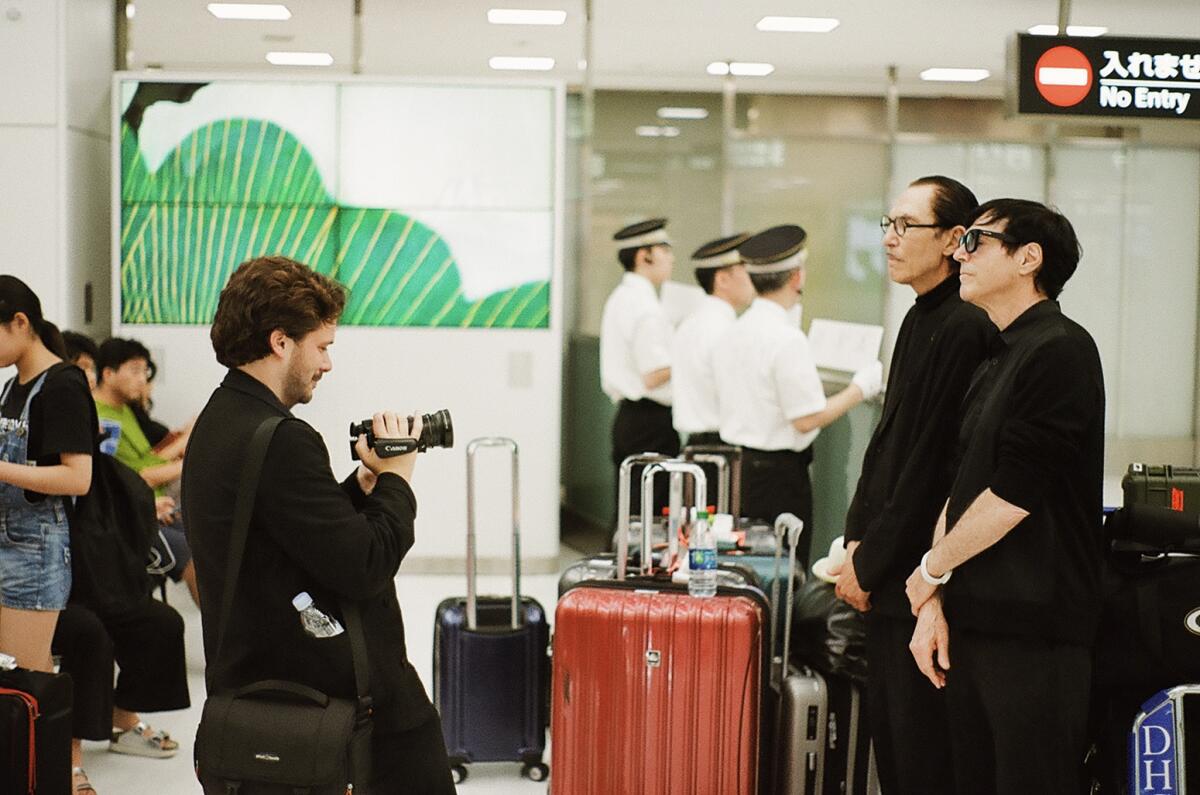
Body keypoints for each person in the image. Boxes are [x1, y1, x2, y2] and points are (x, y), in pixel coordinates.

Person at [182, 255, 455, 793]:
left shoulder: (222, 418)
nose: (327, 364)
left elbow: (290, 531)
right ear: (281, 341)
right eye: (322, 346)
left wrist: (362, 487)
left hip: (262, 681)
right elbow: (364, 565)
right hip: (335, 697)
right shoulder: (283, 438)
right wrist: (398, 479)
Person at [905, 199, 1104, 794]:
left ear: (1028, 259)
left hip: (1034, 630)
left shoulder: (1061, 349)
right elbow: (962, 483)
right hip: (978, 622)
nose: (959, 254)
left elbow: (1014, 494)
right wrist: (933, 597)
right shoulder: (1000, 348)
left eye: (977, 241)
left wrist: (932, 567)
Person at [831, 176, 991, 794]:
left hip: (918, 575)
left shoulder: (962, 325)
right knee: (893, 750)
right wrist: (853, 542)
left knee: (922, 757)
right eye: (887, 224)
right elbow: (887, 449)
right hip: (886, 567)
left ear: (955, 239)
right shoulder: (919, 315)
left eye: (906, 226)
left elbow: (931, 468)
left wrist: (871, 564)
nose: (891, 240)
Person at [713, 225, 882, 568]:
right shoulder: (787, 339)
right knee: (783, 570)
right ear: (796, 277)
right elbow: (805, 419)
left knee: (746, 567)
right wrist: (860, 388)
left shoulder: (736, 329)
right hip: (777, 476)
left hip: (738, 467)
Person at [0, 277, 94, 671]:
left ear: (20, 323)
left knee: (25, 683)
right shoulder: (11, 387)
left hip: (35, 550)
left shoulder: (63, 385)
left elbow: (78, 478)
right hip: (9, 539)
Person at [93, 337, 198, 604]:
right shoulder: (99, 416)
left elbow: (146, 461)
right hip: (131, 513)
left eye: (144, 371)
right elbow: (132, 478)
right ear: (108, 373)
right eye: (135, 370)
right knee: (195, 557)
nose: (142, 380)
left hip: (154, 501)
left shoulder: (124, 410)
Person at [600, 218, 679, 518]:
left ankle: (623, 565)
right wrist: (684, 352)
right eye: (664, 249)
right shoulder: (645, 307)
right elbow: (654, 374)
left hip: (632, 420)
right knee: (646, 516)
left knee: (630, 511)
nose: (671, 258)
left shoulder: (623, 297)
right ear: (643, 256)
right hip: (650, 424)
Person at [670, 233, 755, 447]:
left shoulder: (691, 322)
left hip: (695, 443)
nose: (753, 279)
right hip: (722, 447)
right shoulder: (725, 330)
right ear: (722, 279)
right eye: (746, 271)